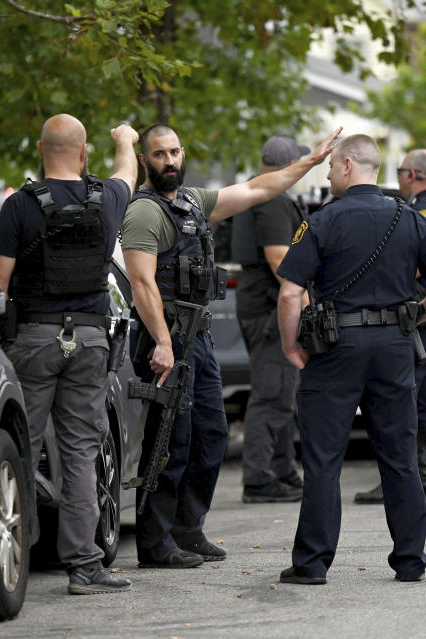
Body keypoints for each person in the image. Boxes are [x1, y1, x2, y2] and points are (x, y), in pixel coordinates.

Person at [121, 123, 341, 569]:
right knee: (170, 441)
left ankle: (188, 529)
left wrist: (310, 163)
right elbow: (142, 283)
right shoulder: (144, 213)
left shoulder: (191, 202)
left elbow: (260, 188)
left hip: (196, 337)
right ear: (145, 160)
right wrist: (162, 342)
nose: (170, 161)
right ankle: (156, 541)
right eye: (160, 154)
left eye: (175, 152)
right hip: (166, 340)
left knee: (212, 433)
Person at [275, 134, 426, 585]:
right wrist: (413, 319)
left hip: (335, 348)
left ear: (346, 165)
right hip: (395, 347)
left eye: (330, 167)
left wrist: (290, 346)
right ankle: (411, 561)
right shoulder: (411, 218)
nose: (327, 174)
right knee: (400, 456)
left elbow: (289, 293)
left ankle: (312, 565)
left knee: (323, 458)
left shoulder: (323, 220)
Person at [0, 114, 139, 595]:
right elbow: (128, 173)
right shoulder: (107, 199)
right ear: (83, 151)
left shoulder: (20, 207)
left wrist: (0, 340)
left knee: (18, 450)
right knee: (80, 454)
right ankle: (84, 565)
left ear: (39, 149)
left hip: (32, 341)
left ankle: (10, 560)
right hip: (91, 342)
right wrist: (127, 140)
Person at [354, 149, 426, 505]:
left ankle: (419, 476)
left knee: (412, 396)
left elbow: (417, 260)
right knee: (419, 393)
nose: (398, 177)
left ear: (412, 174)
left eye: (400, 171)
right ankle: (421, 475)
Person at [232, 135, 310, 503]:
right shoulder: (272, 200)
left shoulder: (258, 193)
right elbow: (280, 261)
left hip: (260, 302)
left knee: (282, 390)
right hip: (270, 308)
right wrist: (308, 303)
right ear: (289, 164)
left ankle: (281, 469)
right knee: (273, 392)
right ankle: (260, 479)